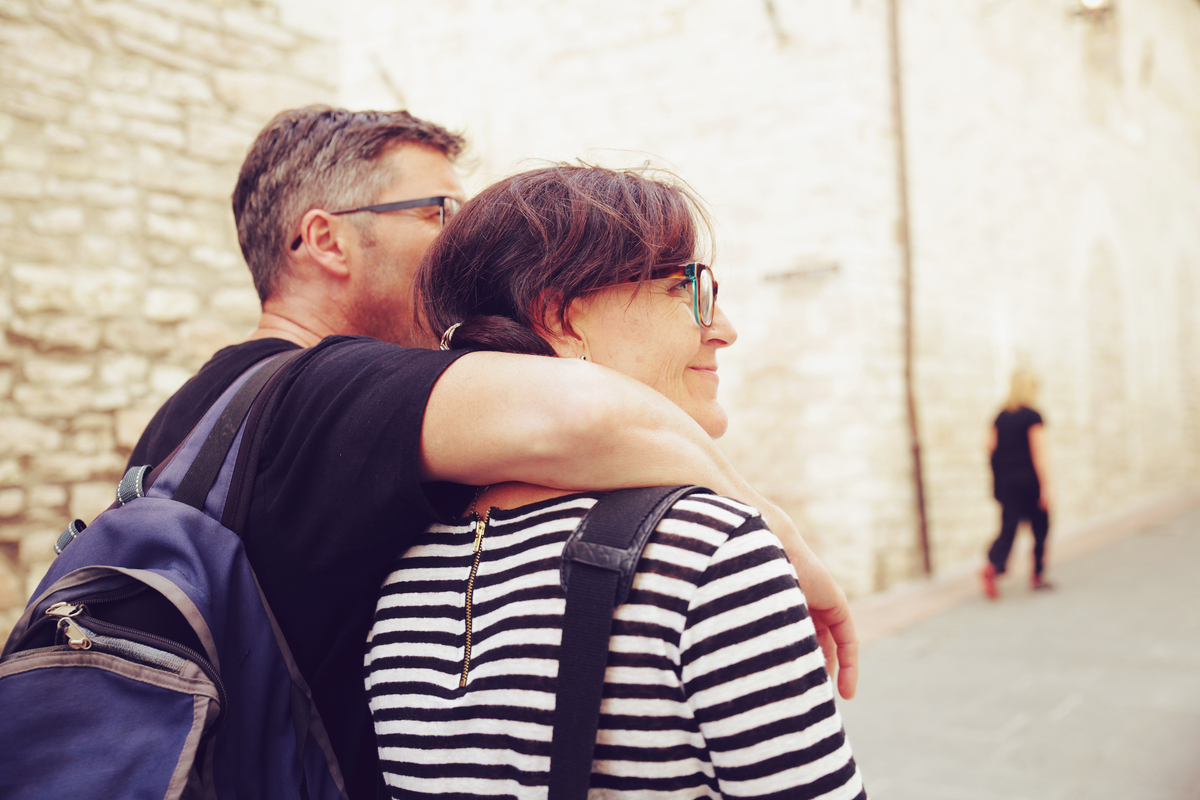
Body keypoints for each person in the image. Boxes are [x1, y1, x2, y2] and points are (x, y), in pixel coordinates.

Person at [125, 108, 859, 798]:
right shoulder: (324, 390)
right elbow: (583, 409)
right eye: (439, 211)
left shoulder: (195, 416)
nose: (457, 232)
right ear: (326, 239)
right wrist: (771, 537)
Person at [365, 165, 865, 798]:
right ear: (563, 316)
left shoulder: (400, 569)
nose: (724, 328)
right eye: (687, 287)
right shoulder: (708, 554)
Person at [981, 367, 1052, 598]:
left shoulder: (1000, 416)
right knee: (1040, 525)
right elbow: (1039, 453)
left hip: (1006, 482)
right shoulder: (1033, 416)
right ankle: (1037, 576)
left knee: (1008, 528)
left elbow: (988, 447)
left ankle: (993, 565)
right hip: (1029, 481)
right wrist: (1046, 488)